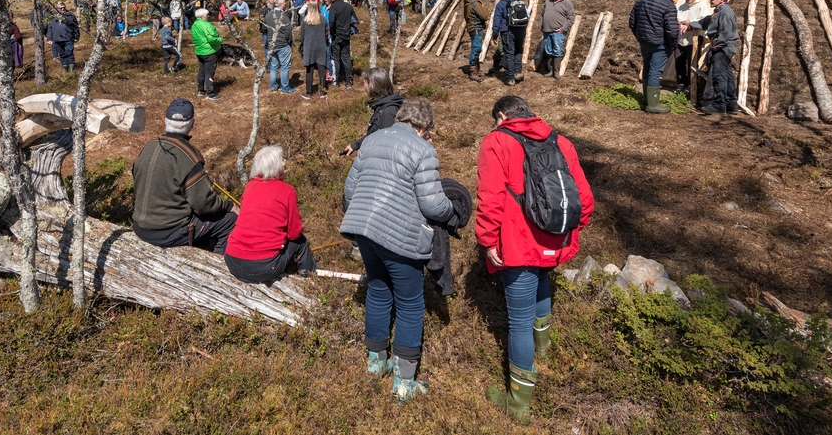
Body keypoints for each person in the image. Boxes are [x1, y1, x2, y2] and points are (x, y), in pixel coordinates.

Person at [475, 95, 594, 422]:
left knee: (518, 322)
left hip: (517, 243)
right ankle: (545, 349)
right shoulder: (561, 141)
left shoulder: (496, 142)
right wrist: (567, 231)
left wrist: (487, 240)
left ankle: (518, 404)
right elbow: (585, 199)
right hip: (555, 238)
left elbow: (490, 199)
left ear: (501, 116)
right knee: (543, 281)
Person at [340, 99, 458, 402]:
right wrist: (453, 211)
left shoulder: (372, 140)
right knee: (410, 302)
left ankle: (376, 362)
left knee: (378, 290)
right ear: (422, 127)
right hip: (400, 235)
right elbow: (432, 204)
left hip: (364, 230)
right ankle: (404, 382)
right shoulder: (423, 150)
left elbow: (350, 190)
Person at [131, 99, 236, 253]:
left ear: (164, 120)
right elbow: (203, 204)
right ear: (192, 123)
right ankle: (217, 262)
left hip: (139, 226)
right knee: (230, 221)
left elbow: (137, 177)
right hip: (167, 232)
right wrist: (229, 206)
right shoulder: (188, 156)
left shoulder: (149, 146)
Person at [224, 145, 316, 284]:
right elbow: (294, 233)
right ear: (274, 166)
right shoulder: (287, 191)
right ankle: (310, 279)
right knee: (301, 242)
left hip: (231, 260)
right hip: (264, 268)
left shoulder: (250, 186)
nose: (285, 161)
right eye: (282, 159)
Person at [684, 0, 739, 115]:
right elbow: (705, 22)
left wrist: (716, 46)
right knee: (728, 76)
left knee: (719, 76)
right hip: (722, 47)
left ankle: (720, 105)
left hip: (723, 48)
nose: (710, 0)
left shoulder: (726, 12)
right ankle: (732, 104)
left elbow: (726, 32)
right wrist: (689, 23)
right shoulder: (718, 11)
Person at [628, 0, 681, 114]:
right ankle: (653, 104)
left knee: (647, 67)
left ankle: (646, 99)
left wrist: (640, 36)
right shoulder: (668, 5)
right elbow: (672, 30)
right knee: (655, 71)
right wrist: (673, 45)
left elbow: (632, 21)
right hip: (660, 43)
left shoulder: (642, 0)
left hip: (645, 41)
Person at [341, 67, 403, 156]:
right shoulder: (382, 106)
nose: (364, 86)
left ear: (373, 85)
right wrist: (355, 145)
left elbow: (389, 145)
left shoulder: (388, 111)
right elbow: (375, 134)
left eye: (365, 82)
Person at [675, 0, 708, 92]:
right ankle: (681, 82)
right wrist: (678, 22)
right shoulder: (681, 6)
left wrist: (690, 24)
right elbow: (677, 17)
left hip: (693, 39)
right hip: (680, 39)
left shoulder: (701, 6)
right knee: (679, 61)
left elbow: (703, 21)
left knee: (691, 62)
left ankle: (690, 84)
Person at [539, 0, 576, 80]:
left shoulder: (567, 3)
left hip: (558, 32)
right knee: (549, 50)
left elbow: (571, 18)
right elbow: (542, 14)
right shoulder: (548, 1)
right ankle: (551, 70)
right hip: (547, 31)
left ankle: (556, 71)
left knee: (557, 51)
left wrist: (563, 28)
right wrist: (541, 26)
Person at [264, 0, 295, 94]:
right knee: (285, 67)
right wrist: (289, 42)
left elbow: (265, 29)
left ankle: (273, 86)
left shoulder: (268, 15)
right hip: (282, 45)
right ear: (281, 4)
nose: (285, 4)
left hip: (272, 44)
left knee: (274, 67)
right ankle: (285, 87)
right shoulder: (283, 16)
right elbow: (288, 31)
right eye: (284, 3)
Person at [190, 7, 223, 100]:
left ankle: (200, 90)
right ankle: (210, 93)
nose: (209, 16)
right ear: (203, 16)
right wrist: (220, 40)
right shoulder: (206, 25)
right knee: (209, 72)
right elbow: (211, 39)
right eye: (208, 15)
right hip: (209, 51)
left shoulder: (194, 24)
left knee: (202, 71)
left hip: (199, 51)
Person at [299, 0, 328, 99]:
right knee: (322, 69)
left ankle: (308, 92)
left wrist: (305, 43)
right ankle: (322, 92)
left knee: (309, 70)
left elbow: (302, 35)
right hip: (321, 46)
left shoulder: (305, 20)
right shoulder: (323, 19)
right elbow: (326, 33)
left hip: (309, 46)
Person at [492, 0, 521, 85]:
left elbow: (497, 21)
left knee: (509, 54)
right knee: (518, 52)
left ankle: (510, 78)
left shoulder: (501, 4)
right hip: (520, 31)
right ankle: (517, 72)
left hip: (507, 32)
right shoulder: (518, 1)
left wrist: (495, 34)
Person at [327, 0, 355, 88]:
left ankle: (336, 81)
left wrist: (333, 32)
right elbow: (354, 20)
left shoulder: (333, 7)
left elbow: (331, 22)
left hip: (336, 36)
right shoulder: (348, 6)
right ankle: (348, 82)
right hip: (346, 36)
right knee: (346, 58)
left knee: (336, 58)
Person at [46, 1, 80, 74]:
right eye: (61, 8)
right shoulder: (53, 17)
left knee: (69, 52)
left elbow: (75, 27)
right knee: (62, 54)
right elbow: (50, 29)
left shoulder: (70, 16)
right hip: (57, 39)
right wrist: (49, 38)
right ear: (57, 8)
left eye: (64, 7)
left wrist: (76, 36)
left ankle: (71, 70)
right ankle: (64, 69)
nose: (63, 9)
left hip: (68, 38)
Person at [463, 0, 488, 83]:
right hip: (476, 28)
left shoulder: (468, 3)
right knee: (476, 49)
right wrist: (483, 7)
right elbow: (485, 16)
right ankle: (473, 72)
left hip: (473, 28)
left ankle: (477, 69)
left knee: (476, 48)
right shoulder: (475, 4)